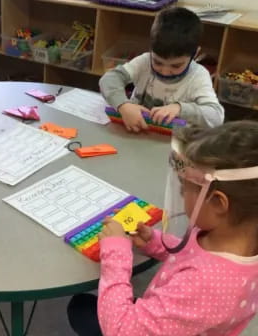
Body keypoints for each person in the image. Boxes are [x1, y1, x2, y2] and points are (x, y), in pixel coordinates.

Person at [68, 120, 258, 335]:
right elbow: (197, 255)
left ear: (217, 203)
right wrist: (155, 242)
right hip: (185, 318)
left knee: (79, 309)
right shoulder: (232, 235)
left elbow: (120, 331)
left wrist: (116, 254)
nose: (180, 193)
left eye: (184, 188)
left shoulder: (207, 285)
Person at [99, 7, 224, 131]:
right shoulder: (145, 61)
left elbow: (216, 116)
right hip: (136, 131)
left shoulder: (198, 75)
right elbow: (109, 79)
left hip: (174, 141)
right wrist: (123, 105)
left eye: (176, 66)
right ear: (150, 48)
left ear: (195, 54)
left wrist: (180, 108)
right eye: (157, 62)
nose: (164, 71)